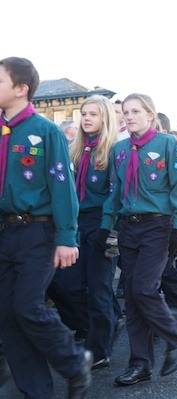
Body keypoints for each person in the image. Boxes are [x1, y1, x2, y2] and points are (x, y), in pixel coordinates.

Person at [0, 56, 92, 399]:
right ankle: (36, 392)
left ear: (21, 89)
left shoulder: (45, 131)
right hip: (4, 232)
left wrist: (67, 238)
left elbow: (62, 187)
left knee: (29, 307)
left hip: (37, 232)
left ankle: (74, 360)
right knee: (8, 317)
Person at [97, 93, 177, 385]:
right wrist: (106, 224)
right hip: (129, 226)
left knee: (143, 288)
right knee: (132, 296)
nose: (129, 116)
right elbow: (116, 191)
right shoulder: (121, 149)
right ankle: (141, 363)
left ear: (150, 115)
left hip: (157, 225)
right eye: (125, 112)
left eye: (136, 111)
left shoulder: (166, 143)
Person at [47, 95, 119, 371]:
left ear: (105, 119)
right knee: (67, 285)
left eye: (94, 114)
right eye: (84, 114)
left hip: (101, 223)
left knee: (99, 289)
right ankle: (95, 327)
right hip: (76, 223)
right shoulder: (74, 149)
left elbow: (116, 194)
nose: (87, 119)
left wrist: (110, 231)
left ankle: (100, 348)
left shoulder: (113, 150)